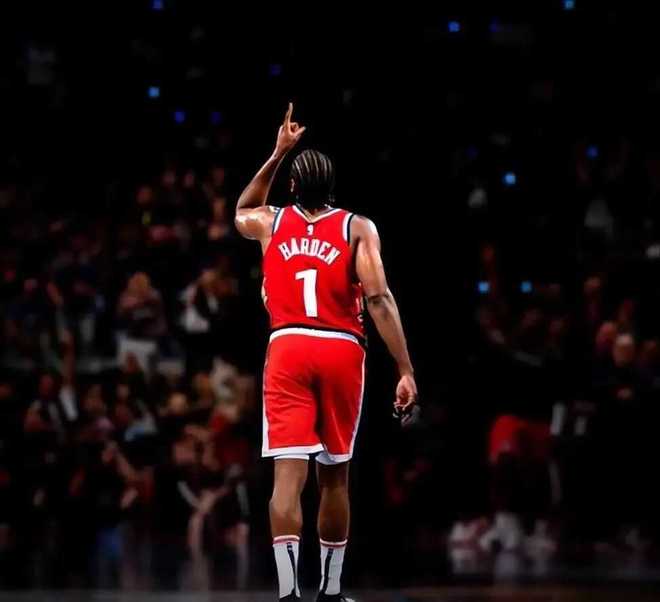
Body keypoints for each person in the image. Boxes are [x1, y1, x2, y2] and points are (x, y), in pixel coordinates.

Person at [235, 104, 417, 602]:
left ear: (292, 186)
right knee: (335, 477)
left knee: (287, 478)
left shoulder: (270, 221)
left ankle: (288, 594)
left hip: (289, 346)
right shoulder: (357, 227)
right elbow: (379, 300)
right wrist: (404, 368)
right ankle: (331, 592)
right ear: (333, 187)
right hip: (342, 349)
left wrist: (277, 154)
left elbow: (241, 209)